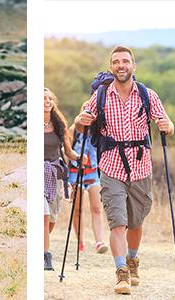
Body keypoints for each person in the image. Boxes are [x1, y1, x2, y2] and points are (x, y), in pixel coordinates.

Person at [74, 46, 174, 295]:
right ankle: (121, 273)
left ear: (133, 66)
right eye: (116, 62)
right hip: (110, 167)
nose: (121, 65)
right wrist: (80, 121)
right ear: (111, 68)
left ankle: (132, 259)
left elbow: (167, 123)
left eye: (125, 61)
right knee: (118, 224)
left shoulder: (147, 95)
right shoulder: (100, 96)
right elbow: (79, 121)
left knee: (136, 223)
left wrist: (167, 125)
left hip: (141, 168)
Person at [67, 101, 109, 256]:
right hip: (75, 172)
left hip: (93, 173)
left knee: (97, 208)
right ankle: (80, 242)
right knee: (77, 210)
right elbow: (67, 151)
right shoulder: (73, 130)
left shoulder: (98, 132)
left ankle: (99, 242)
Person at [44, 88, 77, 270]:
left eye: (50, 98)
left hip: (56, 174)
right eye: (43, 99)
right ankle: (45, 256)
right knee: (43, 214)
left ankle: (41, 244)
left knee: (51, 220)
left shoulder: (59, 124)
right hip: (39, 173)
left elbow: (68, 151)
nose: (47, 101)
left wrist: (78, 158)